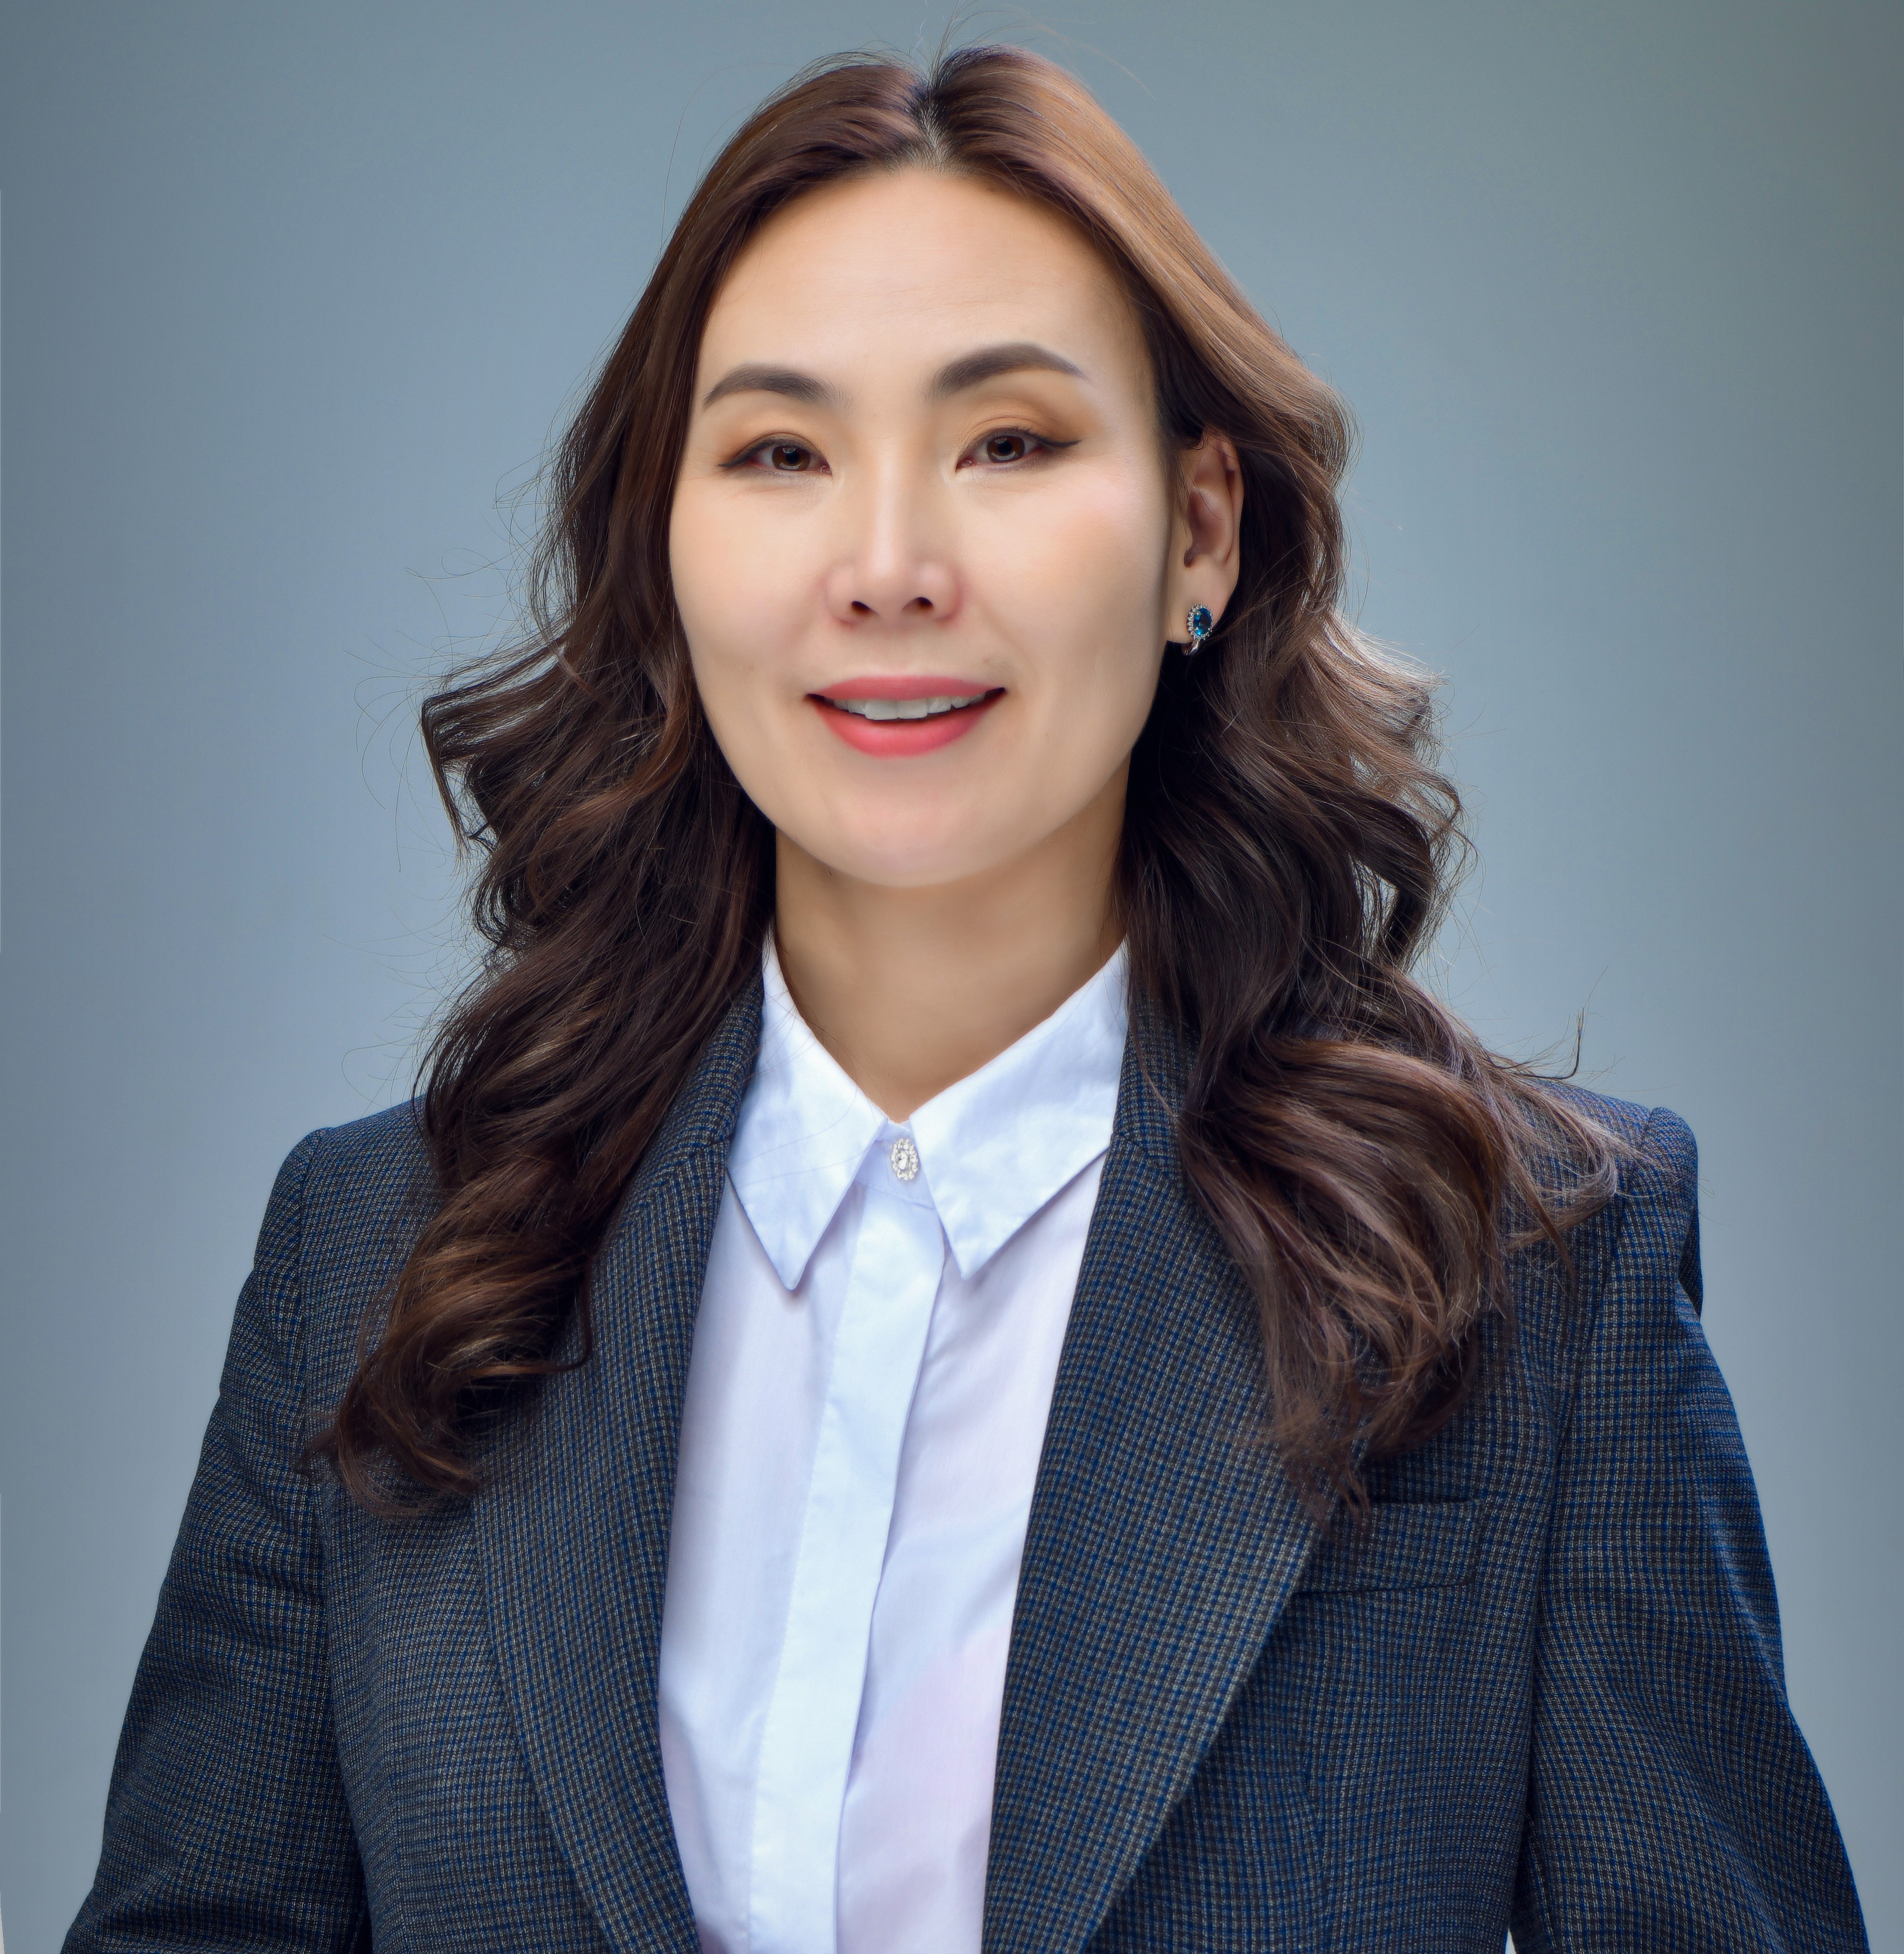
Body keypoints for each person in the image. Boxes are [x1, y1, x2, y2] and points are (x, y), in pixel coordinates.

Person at [65, 44, 1865, 1954]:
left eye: (1007, 441)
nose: (889, 567)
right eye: (778, 452)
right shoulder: (373, 1260)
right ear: (665, 550)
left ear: (1199, 534)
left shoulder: (1531, 1281)